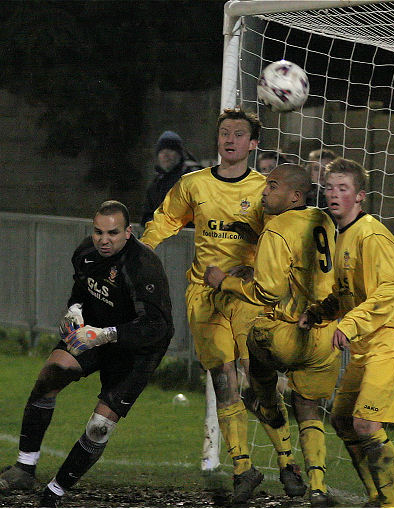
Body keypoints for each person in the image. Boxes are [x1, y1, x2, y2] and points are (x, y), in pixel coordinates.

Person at [140, 108, 306, 504]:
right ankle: (242, 469)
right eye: (224, 133)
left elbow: (286, 238)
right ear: (218, 141)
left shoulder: (266, 189)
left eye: (238, 134)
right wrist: (143, 250)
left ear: (252, 144)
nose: (229, 139)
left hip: (247, 295)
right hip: (204, 296)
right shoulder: (193, 184)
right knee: (223, 381)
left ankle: (287, 461)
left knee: (258, 378)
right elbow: (164, 220)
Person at [0, 200, 174, 507]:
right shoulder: (87, 253)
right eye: (98, 231)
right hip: (95, 333)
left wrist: (105, 335)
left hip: (137, 350)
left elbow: (156, 327)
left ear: (128, 232)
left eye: (112, 232)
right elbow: (81, 289)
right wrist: (74, 309)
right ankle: (24, 467)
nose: (104, 239)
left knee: (99, 427)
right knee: (51, 373)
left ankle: (55, 491)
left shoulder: (143, 265)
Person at [298, 158, 394, 508]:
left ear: (360, 196)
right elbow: (349, 291)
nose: (334, 194)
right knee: (343, 419)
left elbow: (390, 290)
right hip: (374, 340)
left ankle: (391, 505)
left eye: (343, 189)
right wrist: (322, 311)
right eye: (330, 187)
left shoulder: (371, 234)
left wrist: (349, 324)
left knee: (364, 423)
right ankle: (376, 497)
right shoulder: (342, 233)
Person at [202, 163, 340, 506]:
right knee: (308, 407)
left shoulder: (278, 228)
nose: (265, 191)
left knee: (255, 369)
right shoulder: (325, 221)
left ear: (295, 195)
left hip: (291, 333)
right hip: (328, 337)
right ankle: (318, 487)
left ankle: (272, 424)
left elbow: (266, 292)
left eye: (273, 186)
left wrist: (225, 282)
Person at [140, 130, 203, 226]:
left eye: (170, 150)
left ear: (179, 154)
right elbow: (147, 216)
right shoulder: (157, 184)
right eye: (161, 151)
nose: (165, 155)